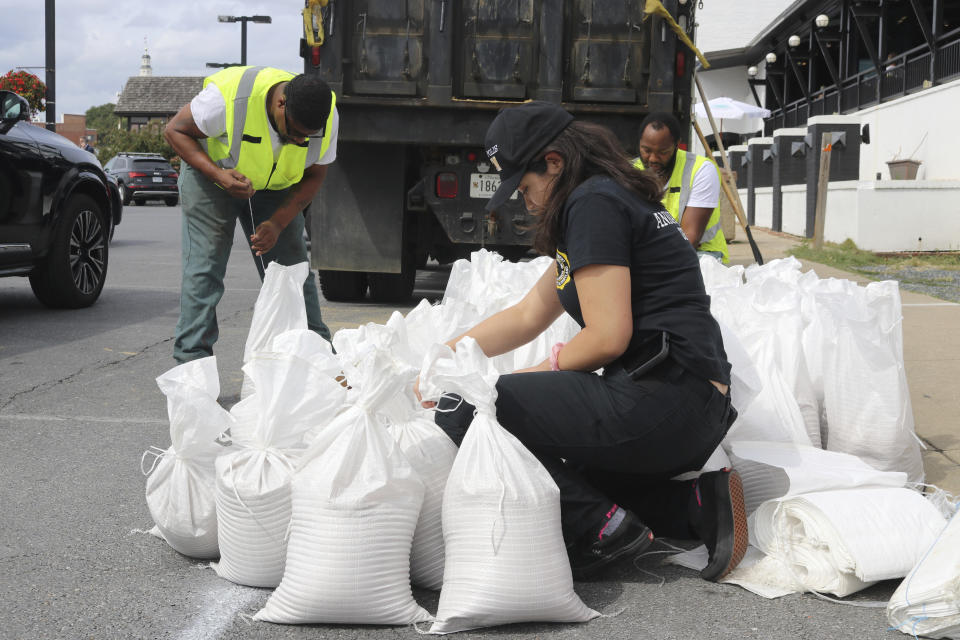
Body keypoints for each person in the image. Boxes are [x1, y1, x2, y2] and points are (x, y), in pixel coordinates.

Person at [415, 102, 747, 581]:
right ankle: (695, 505)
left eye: (525, 188)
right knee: (570, 477)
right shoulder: (609, 198)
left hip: (664, 396)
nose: (525, 202)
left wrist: (489, 385)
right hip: (690, 403)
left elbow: (608, 337)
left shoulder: (592, 204)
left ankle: (601, 528)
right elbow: (529, 315)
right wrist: (444, 356)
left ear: (553, 163)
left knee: (467, 407)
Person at [164, 66, 338, 364]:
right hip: (212, 176)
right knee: (205, 270)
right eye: (295, 132)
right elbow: (174, 130)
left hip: (276, 186)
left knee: (292, 273)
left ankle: (318, 359)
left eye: (307, 137)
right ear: (281, 103)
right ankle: (192, 367)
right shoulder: (226, 100)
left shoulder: (327, 114)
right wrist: (219, 175)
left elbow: (315, 175)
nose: (299, 141)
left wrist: (278, 222)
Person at [634, 112, 729, 263]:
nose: (652, 159)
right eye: (646, 151)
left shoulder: (701, 170)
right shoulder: (630, 171)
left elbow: (689, 238)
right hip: (650, 254)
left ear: (677, 145)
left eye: (662, 152)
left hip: (703, 255)